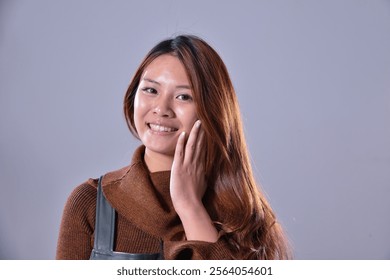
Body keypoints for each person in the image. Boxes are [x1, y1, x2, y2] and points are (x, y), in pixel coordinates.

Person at [56, 34, 291, 260]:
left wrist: (190, 206)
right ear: (133, 96)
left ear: (212, 110)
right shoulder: (90, 203)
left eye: (183, 97)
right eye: (151, 90)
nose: (162, 108)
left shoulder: (244, 216)